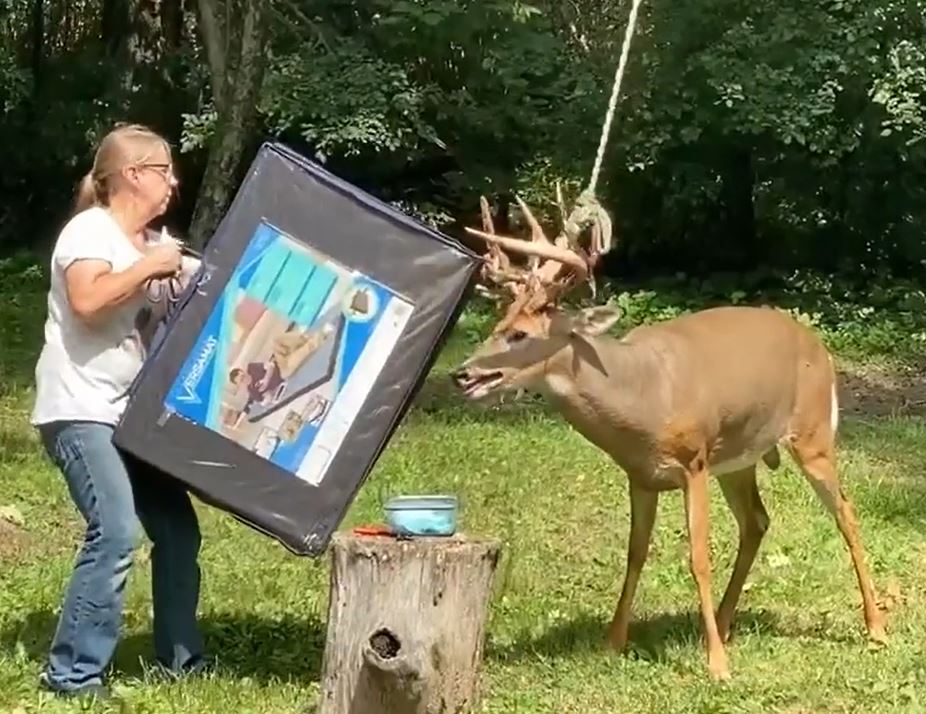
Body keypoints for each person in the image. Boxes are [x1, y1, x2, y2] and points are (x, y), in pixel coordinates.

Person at [30, 123, 209, 700]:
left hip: (128, 415)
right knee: (115, 530)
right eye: (165, 170)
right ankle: (72, 676)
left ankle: (182, 663)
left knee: (178, 532)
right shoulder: (91, 230)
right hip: (78, 409)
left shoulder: (151, 244)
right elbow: (86, 301)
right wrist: (151, 266)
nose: (174, 180)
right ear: (134, 174)